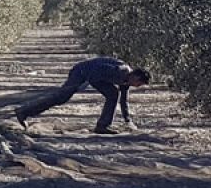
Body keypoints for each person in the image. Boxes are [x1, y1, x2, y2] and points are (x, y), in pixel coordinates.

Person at [14, 56, 150, 134]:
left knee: (113, 94)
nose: (137, 86)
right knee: (61, 97)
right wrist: (82, 84)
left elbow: (124, 101)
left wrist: (128, 120)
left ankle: (102, 126)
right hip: (81, 72)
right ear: (135, 77)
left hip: (94, 77)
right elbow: (96, 71)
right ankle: (23, 111)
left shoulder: (126, 81)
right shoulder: (120, 70)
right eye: (139, 83)